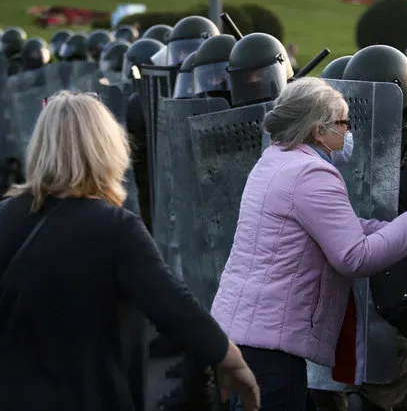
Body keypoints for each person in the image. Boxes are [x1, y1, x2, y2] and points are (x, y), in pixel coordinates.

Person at [0, 91, 260, 411]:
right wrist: (231, 359)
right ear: (107, 147)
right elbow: (175, 308)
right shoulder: (115, 228)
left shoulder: (5, 216)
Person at [211, 77, 407, 411]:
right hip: (271, 350)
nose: (348, 132)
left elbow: (339, 228)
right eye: (343, 123)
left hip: (241, 338)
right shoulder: (312, 174)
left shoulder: (275, 161)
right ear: (318, 131)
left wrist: (400, 224)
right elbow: (354, 257)